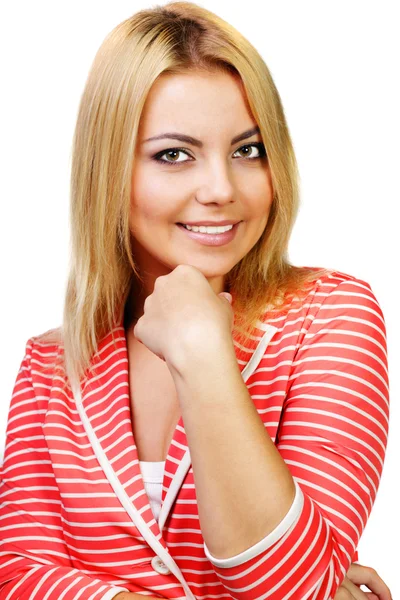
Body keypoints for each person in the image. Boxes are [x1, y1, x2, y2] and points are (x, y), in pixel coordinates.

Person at [0, 2, 392, 599]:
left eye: (248, 150)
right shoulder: (51, 367)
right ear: (108, 172)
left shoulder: (331, 318)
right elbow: (18, 575)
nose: (221, 190)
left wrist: (205, 355)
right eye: (174, 154)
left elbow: (289, 585)